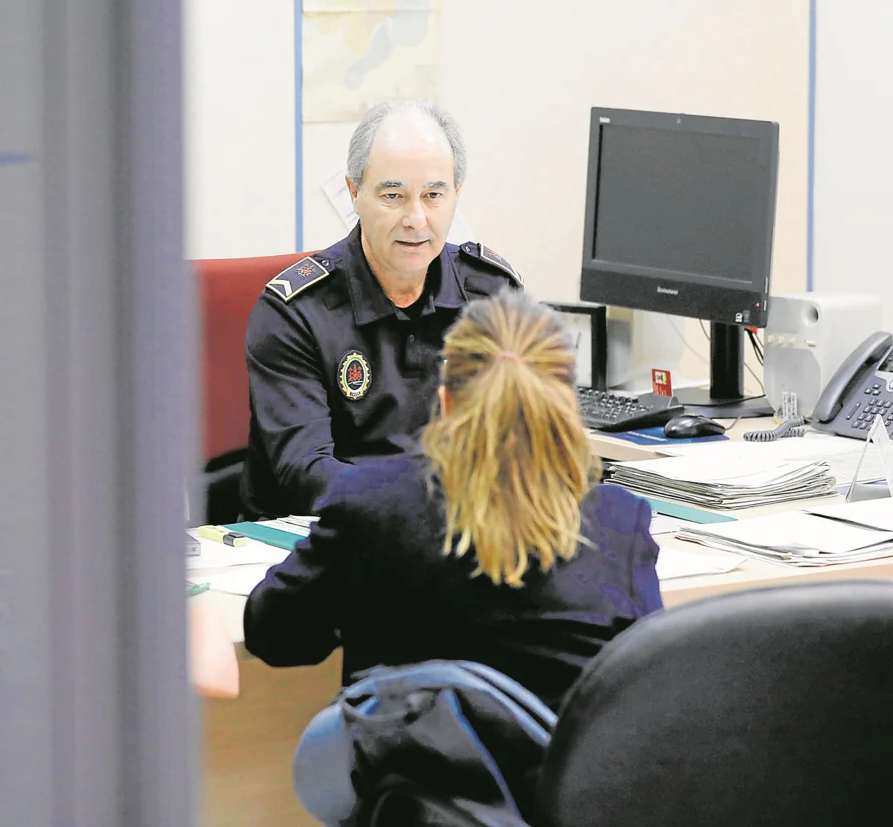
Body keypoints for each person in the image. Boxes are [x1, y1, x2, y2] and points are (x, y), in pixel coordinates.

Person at [243, 291, 663, 713]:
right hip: (564, 777)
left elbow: (275, 636)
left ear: (444, 402)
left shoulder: (371, 505)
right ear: (567, 408)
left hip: (411, 773)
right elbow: (642, 682)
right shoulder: (619, 522)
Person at [240, 99, 522, 520]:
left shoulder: (493, 294)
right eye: (394, 195)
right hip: (325, 544)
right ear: (355, 192)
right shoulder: (296, 312)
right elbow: (306, 475)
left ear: (455, 196)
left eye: (433, 195)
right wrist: (426, 506)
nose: (416, 218)